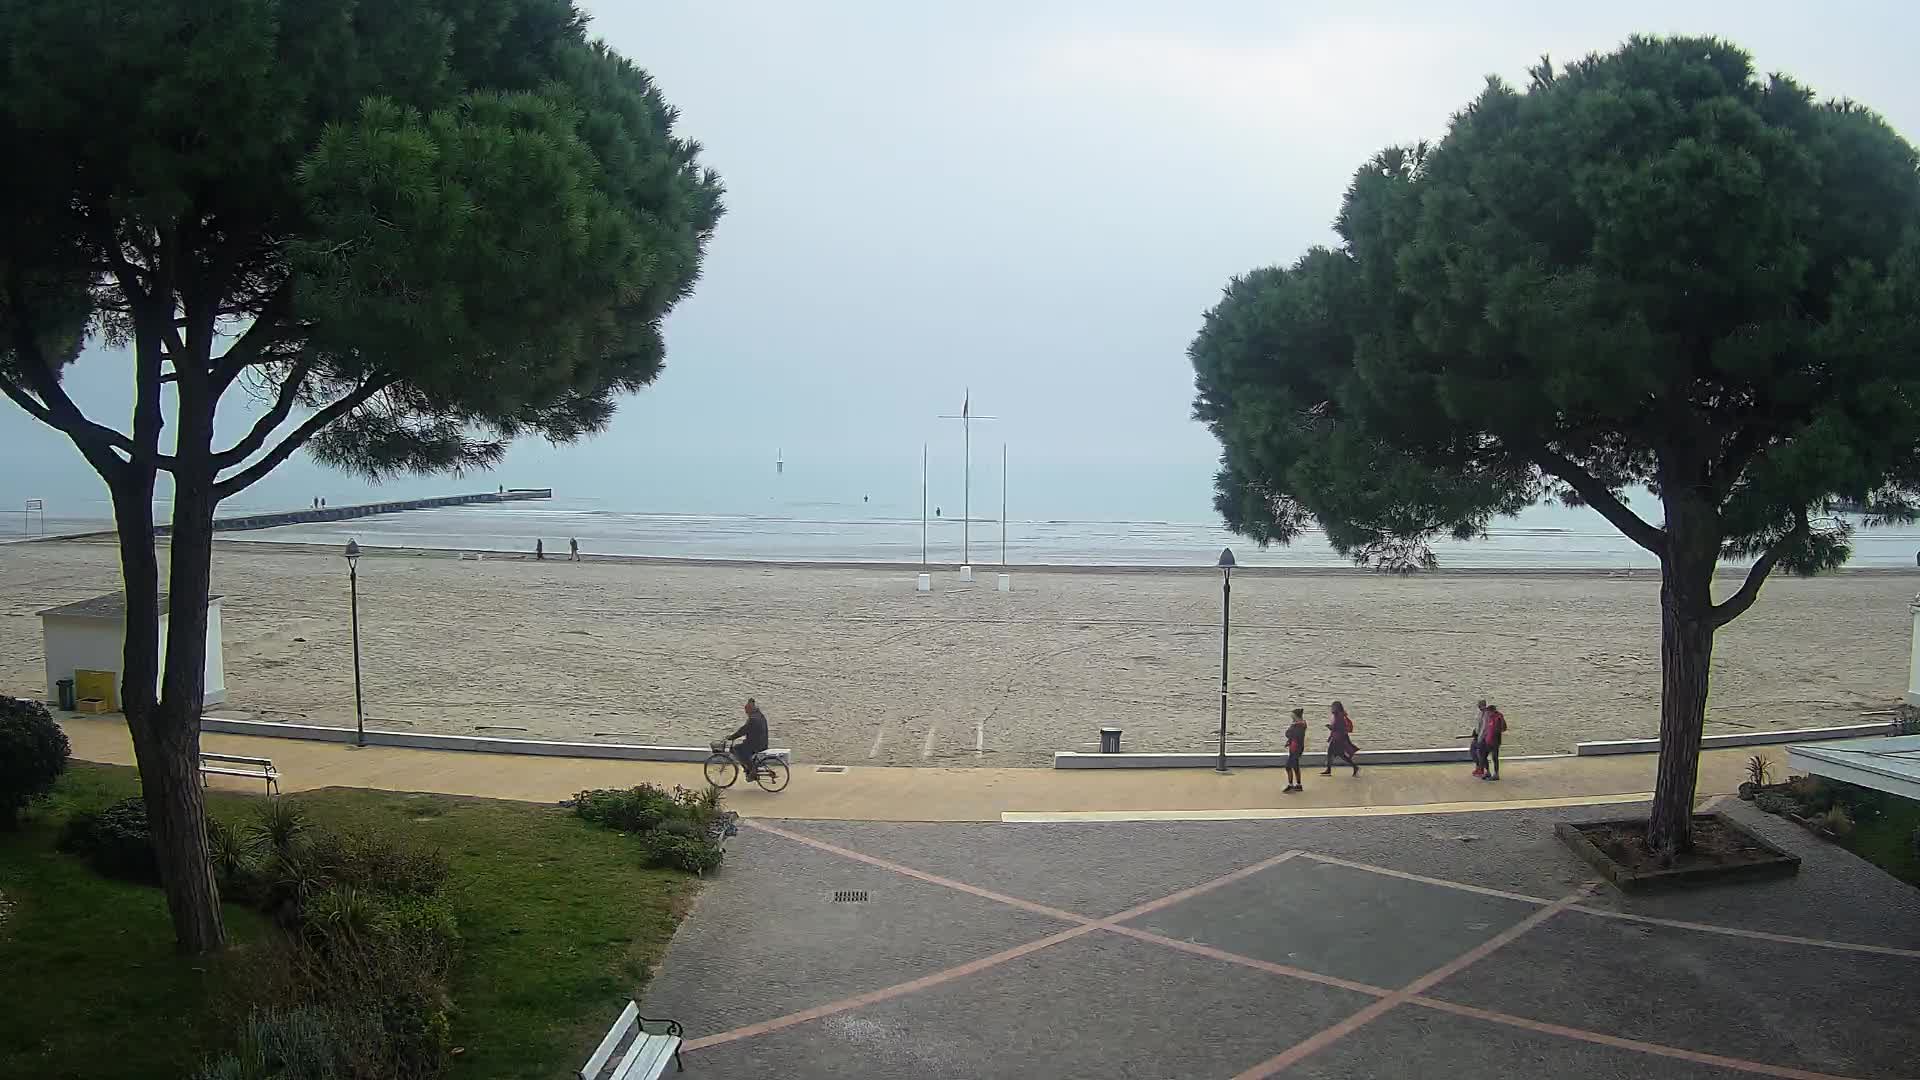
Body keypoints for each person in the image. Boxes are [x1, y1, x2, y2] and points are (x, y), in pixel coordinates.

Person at [726, 697, 770, 779]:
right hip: (761, 741)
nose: (746, 712)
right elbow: (745, 729)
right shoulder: (759, 715)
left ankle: (752, 771)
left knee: (737, 750)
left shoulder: (753, 719)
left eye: (746, 711)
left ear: (750, 709)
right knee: (743, 749)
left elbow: (743, 730)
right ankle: (751, 768)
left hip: (757, 744)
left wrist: (732, 737)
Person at [1322, 701, 1360, 776]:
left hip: (1338, 739)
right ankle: (1328, 769)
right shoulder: (1340, 715)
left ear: (1337, 708)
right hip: (1337, 738)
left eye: (1333, 707)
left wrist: (1330, 727)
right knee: (1334, 753)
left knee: (1338, 754)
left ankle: (1355, 767)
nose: (1331, 708)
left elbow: (1338, 727)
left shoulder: (1339, 716)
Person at [1283, 708, 1308, 793]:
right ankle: (1298, 785)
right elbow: (1293, 736)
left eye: (1292, 715)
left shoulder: (1298, 726)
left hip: (1295, 748)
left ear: (1296, 716)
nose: (1291, 717)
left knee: (1288, 767)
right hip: (1296, 747)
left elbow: (1290, 734)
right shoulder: (1300, 725)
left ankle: (1291, 785)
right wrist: (1289, 741)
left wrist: (1290, 732)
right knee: (1295, 766)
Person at [1480, 703, 1508, 781]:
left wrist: (1497, 732)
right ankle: (1488, 772)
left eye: (1489, 712)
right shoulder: (1490, 718)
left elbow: (1503, 728)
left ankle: (1496, 774)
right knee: (1483, 756)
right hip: (1487, 740)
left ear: (1492, 711)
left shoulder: (1498, 717)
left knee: (1494, 757)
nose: (1488, 713)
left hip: (1495, 741)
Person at [1467, 699, 1489, 777]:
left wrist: (1481, 738)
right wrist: (1474, 731)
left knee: (1481, 754)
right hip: (1477, 736)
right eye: (1479, 706)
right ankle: (1478, 767)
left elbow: (1484, 728)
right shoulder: (1480, 713)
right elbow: (1478, 725)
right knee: (1473, 751)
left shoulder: (1487, 714)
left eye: (1480, 705)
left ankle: (1483, 770)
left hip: (1483, 738)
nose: (1479, 707)